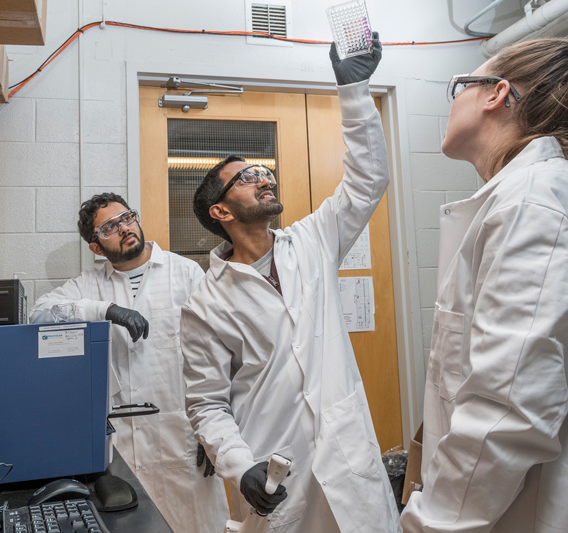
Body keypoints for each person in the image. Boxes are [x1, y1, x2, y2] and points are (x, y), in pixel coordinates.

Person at [181, 33, 400, 532]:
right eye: (247, 177)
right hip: (275, 470)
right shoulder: (205, 303)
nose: (265, 178)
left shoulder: (314, 241)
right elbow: (207, 404)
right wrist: (238, 467)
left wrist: (355, 89)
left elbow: (368, 179)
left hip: (348, 458)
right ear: (221, 211)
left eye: (264, 169)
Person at [400, 38, 568, 532]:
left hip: (518, 511)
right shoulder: (523, 197)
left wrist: (431, 523)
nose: (454, 100)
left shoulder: (536, 201)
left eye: (459, 86)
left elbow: (508, 410)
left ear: (497, 93)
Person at [29, 193, 229, 533]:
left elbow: (219, 354)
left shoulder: (186, 274)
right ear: (96, 247)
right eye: (109, 227)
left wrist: (217, 434)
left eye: (127, 218)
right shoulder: (90, 286)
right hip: (123, 448)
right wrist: (103, 311)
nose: (124, 228)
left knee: (200, 525)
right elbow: (38, 314)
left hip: (184, 438)